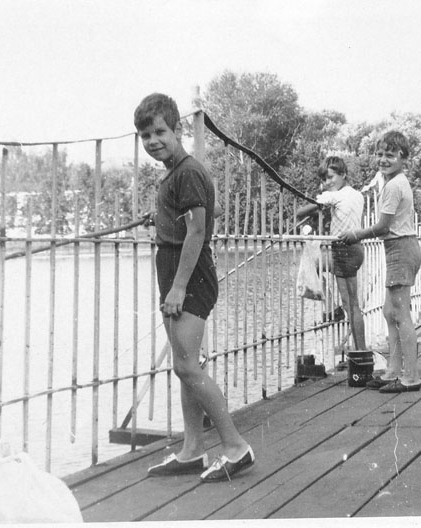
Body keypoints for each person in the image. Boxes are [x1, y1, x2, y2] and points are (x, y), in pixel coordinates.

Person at [134, 93, 253, 482]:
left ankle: (236, 447)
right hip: (174, 271)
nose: (153, 141)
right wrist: (163, 215)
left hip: (188, 276)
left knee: (186, 366)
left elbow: (198, 231)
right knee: (186, 366)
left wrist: (179, 288)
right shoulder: (177, 173)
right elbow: (203, 211)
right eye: (145, 135)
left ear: (178, 129)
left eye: (160, 132)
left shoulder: (186, 171)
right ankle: (192, 450)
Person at [339, 131, 421, 394]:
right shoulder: (393, 181)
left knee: (401, 314)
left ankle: (411, 377)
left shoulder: (394, 185)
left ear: (403, 158)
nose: (383, 159)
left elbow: (383, 226)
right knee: (389, 312)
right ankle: (393, 371)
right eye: (380, 154)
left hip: (400, 248)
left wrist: (355, 235)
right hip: (399, 248)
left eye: (390, 155)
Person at [297, 156, 367, 351]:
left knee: (350, 304)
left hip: (343, 250)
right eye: (324, 179)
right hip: (356, 248)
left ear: (343, 174)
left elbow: (299, 213)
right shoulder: (357, 195)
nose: (327, 183)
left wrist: (319, 201)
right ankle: (360, 348)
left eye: (330, 177)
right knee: (353, 303)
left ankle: (332, 309)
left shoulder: (333, 196)